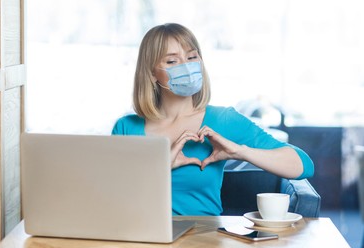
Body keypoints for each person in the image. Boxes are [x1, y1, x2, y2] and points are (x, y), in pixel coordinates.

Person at [112, 23, 314, 216]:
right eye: (172, 61)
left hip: (203, 242)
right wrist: (160, 167)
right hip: (139, 241)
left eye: (192, 57)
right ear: (151, 73)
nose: (187, 67)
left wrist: (239, 151)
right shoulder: (126, 127)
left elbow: (304, 165)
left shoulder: (223, 120)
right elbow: (112, 197)